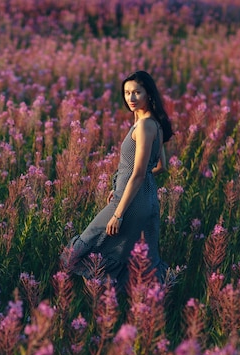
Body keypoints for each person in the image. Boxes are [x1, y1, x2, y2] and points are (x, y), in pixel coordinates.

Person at [61, 70, 172, 289]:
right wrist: (122, 183)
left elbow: (139, 173)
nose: (131, 98)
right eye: (127, 93)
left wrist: (118, 214)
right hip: (145, 199)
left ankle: (95, 306)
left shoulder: (144, 126)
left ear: (148, 94)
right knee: (131, 257)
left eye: (137, 92)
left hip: (129, 203)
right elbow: (160, 167)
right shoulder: (154, 124)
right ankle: (130, 305)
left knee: (83, 248)